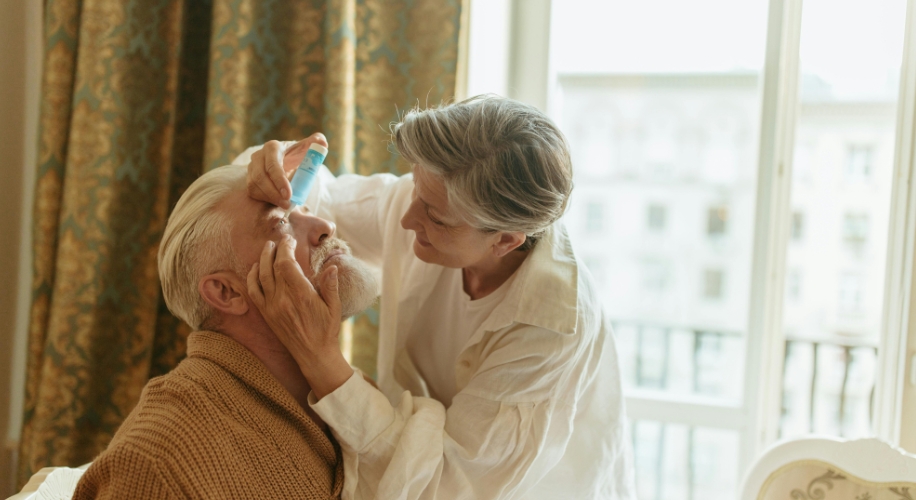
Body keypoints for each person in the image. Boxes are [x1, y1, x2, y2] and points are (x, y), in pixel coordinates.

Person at [241, 95, 635, 499]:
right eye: (415, 189)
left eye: (435, 217)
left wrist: (320, 358)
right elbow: (312, 198)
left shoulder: (549, 329)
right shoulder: (431, 200)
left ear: (504, 240)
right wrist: (269, 167)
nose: (408, 219)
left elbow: (445, 485)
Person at [72, 163, 379, 499]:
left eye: (307, 210)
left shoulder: (348, 398)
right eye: (280, 223)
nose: (326, 225)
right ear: (226, 292)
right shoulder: (158, 463)